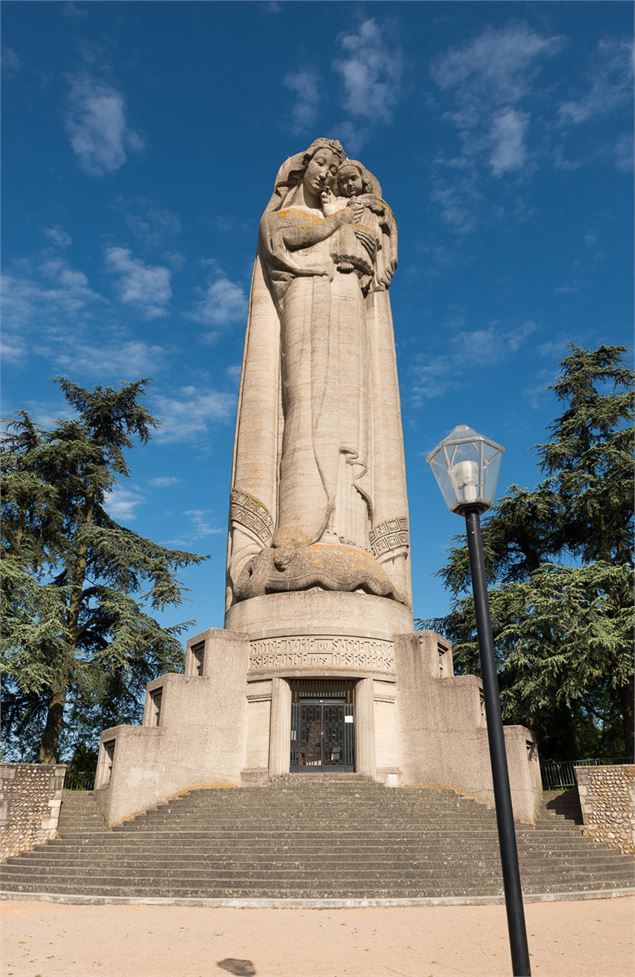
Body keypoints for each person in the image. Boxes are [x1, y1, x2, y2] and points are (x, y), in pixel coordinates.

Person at [226, 140, 411, 607]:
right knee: (305, 408)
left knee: (352, 425)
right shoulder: (285, 217)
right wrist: (338, 224)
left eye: (333, 166)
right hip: (304, 307)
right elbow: (284, 241)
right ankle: (300, 527)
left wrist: (365, 239)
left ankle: (348, 536)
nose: (326, 172)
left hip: (346, 305)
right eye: (321, 163)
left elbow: (380, 255)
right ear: (302, 169)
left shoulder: (351, 214)